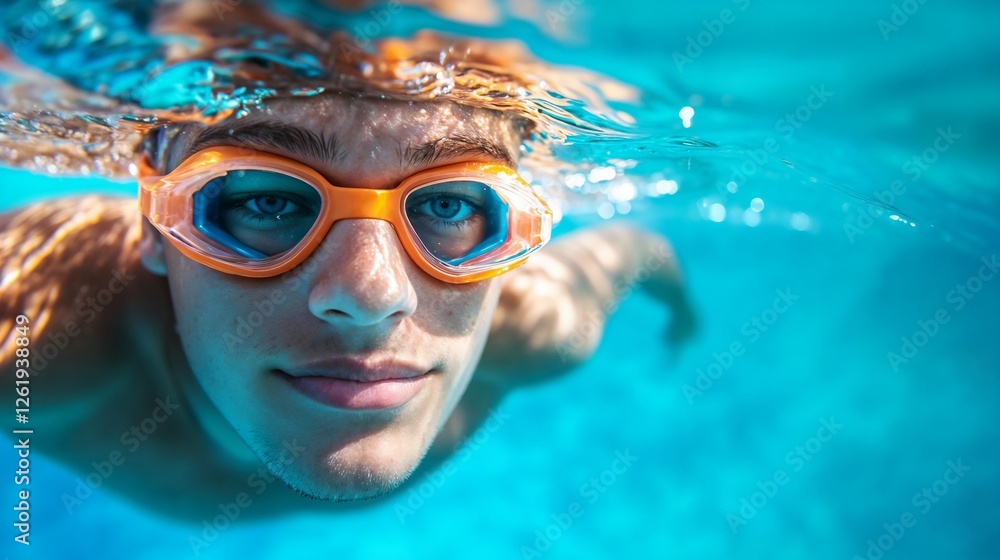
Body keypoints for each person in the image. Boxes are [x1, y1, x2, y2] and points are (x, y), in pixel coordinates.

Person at [0, 10, 695, 523]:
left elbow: (637, 250)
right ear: (157, 218)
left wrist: (682, 310)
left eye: (449, 208)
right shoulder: (34, 331)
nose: (370, 296)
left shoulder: (545, 326)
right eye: (268, 201)